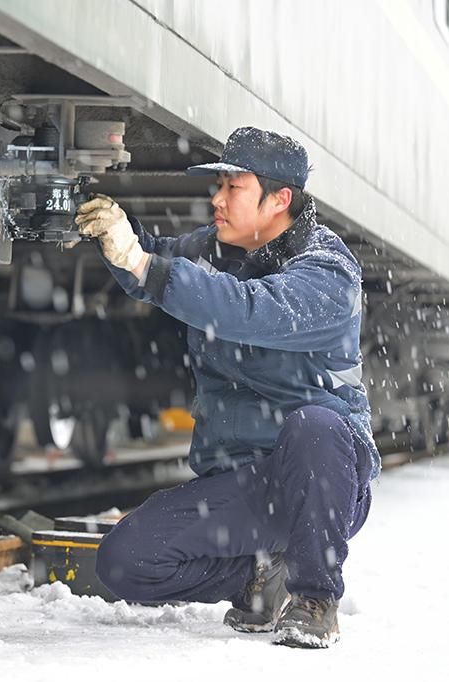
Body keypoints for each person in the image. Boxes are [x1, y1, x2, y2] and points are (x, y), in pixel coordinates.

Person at [78, 126, 379, 649]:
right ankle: (260, 577)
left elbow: (248, 309)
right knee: (124, 561)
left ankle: (314, 598)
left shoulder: (327, 271)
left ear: (279, 199)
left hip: (322, 481)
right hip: (248, 487)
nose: (216, 200)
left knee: (315, 426)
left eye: (232, 188)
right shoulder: (213, 250)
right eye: (218, 186)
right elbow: (155, 258)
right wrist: (115, 231)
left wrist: (145, 265)